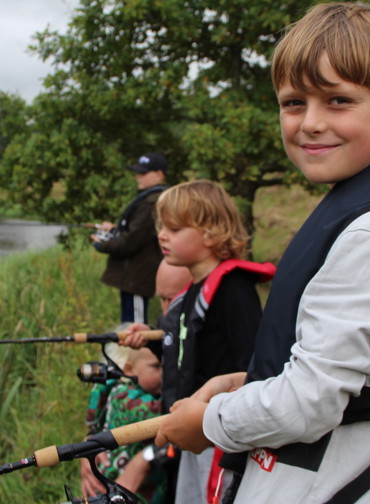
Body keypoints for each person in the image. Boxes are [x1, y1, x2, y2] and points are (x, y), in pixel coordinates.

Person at [154, 4, 370, 502]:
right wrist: (245, 381)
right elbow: (336, 367)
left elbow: (310, 402)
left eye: (338, 100)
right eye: (294, 102)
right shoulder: (361, 207)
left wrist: (210, 424)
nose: (311, 123)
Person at [124, 180, 275, 504]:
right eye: (162, 226)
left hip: (217, 436)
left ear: (211, 233)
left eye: (174, 228)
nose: (162, 235)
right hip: (192, 434)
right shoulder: (196, 287)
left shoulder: (233, 289)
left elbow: (250, 365)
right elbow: (191, 348)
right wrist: (150, 341)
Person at [79, 346, 168, 503]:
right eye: (156, 367)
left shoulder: (115, 390)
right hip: (124, 484)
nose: (165, 374)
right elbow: (171, 416)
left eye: (167, 367)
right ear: (129, 369)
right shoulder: (130, 400)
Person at [92, 153, 168, 324]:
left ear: (159, 174)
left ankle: (137, 352)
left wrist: (102, 244)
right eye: (137, 173)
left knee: (135, 328)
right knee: (129, 326)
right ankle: (128, 351)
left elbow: (131, 241)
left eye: (144, 173)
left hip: (138, 278)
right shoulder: (150, 200)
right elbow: (137, 232)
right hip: (133, 278)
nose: (138, 177)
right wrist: (115, 229)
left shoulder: (152, 202)